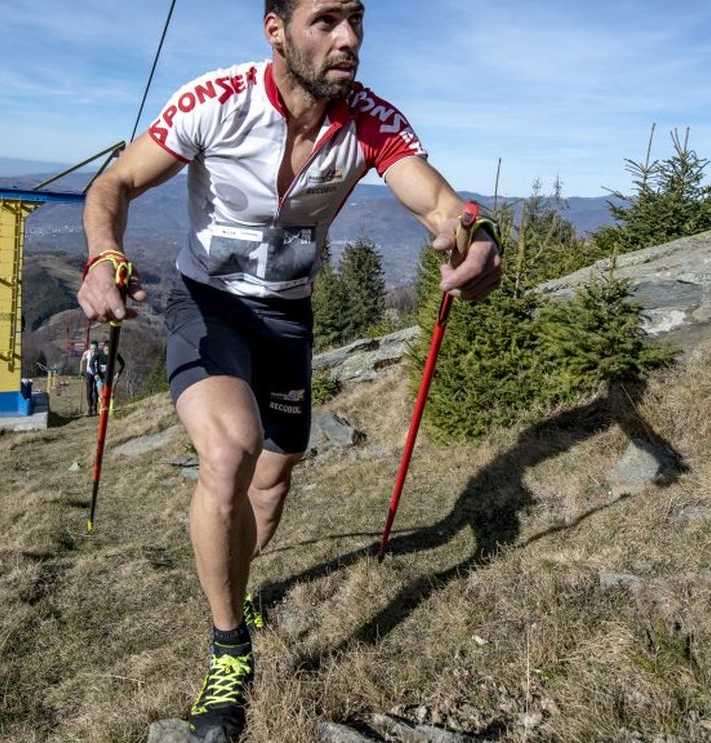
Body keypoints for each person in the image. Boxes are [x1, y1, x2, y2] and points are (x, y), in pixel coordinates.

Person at [76, 2, 502, 740]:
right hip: (207, 303)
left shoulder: (369, 119)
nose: (348, 39)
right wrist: (102, 256)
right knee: (231, 450)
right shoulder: (217, 100)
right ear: (276, 30)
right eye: (326, 20)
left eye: (357, 21)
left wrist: (477, 232)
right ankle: (228, 649)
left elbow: (438, 201)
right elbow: (112, 186)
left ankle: (239, 582)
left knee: (275, 476)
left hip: (287, 318)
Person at [93, 340, 126, 412]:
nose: (107, 351)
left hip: (111, 376)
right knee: (102, 396)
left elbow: (122, 364)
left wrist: (118, 374)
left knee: (111, 393)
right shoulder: (98, 354)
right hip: (100, 376)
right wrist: (95, 374)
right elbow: (91, 364)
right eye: (106, 349)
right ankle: (102, 406)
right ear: (103, 348)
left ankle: (111, 409)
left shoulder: (115, 354)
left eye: (109, 350)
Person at [80, 340, 101, 415]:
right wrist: (81, 371)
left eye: (94, 348)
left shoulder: (99, 353)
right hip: (89, 373)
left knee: (96, 391)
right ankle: (90, 408)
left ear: (97, 348)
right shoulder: (86, 353)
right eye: (91, 348)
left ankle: (95, 408)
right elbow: (82, 361)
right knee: (89, 391)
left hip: (97, 374)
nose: (93, 349)